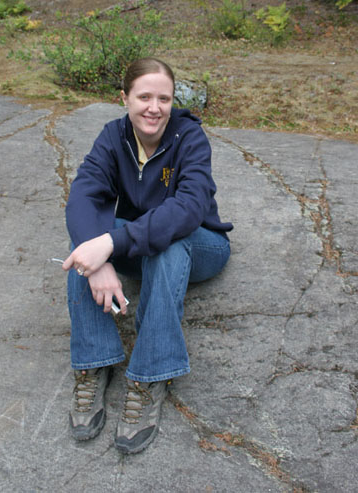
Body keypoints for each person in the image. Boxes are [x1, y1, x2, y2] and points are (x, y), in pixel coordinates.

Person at [62, 57, 233, 454]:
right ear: (124, 98)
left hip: (201, 243)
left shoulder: (189, 138)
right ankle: (93, 362)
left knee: (169, 245)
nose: (154, 107)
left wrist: (114, 243)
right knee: (83, 247)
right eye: (144, 97)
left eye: (164, 98)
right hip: (142, 242)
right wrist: (100, 256)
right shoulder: (113, 136)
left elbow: (189, 209)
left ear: (173, 101)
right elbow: (83, 196)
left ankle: (149, 376)